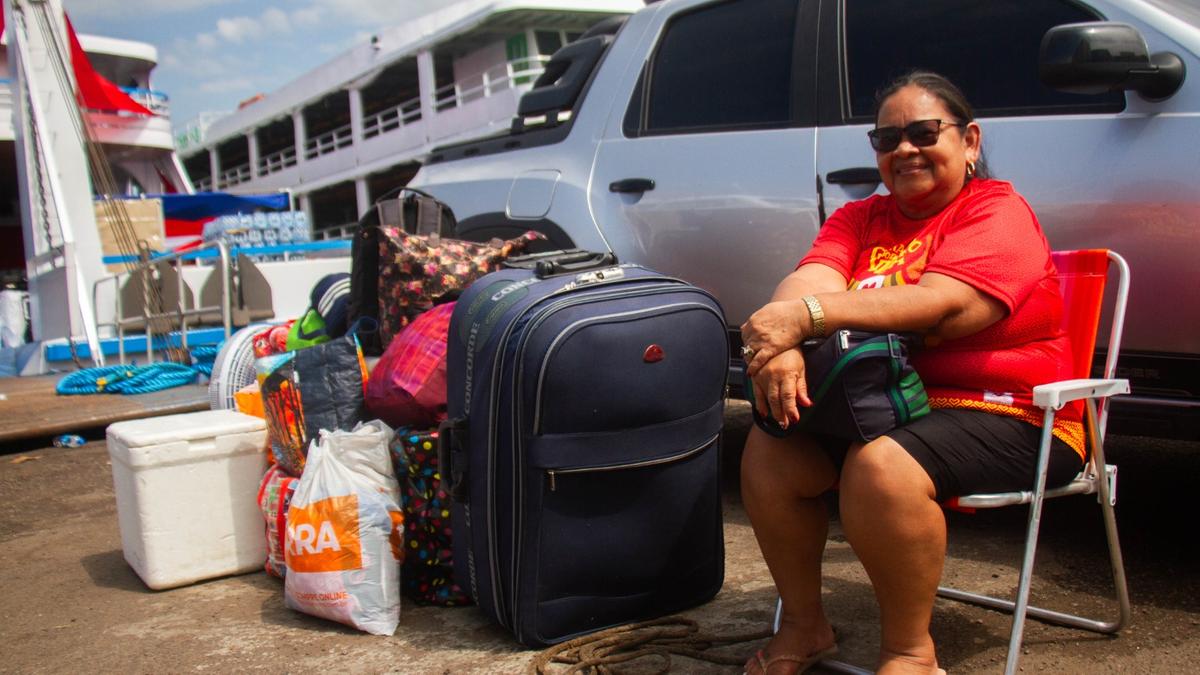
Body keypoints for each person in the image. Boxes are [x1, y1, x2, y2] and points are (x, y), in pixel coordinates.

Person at [738, 71, 1085, 675]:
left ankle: (909, 652)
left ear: (970, 141)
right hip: (891, 404)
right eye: (886, 138)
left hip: (1016, 410)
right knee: (769, 452)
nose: (904, 149)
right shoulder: (859, 219)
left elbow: (945, 305)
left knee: (882, 467)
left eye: (925, 132)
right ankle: (804, 624)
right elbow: (810, 281)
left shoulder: (997, 212)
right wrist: (788, 335)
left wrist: (805, 318)